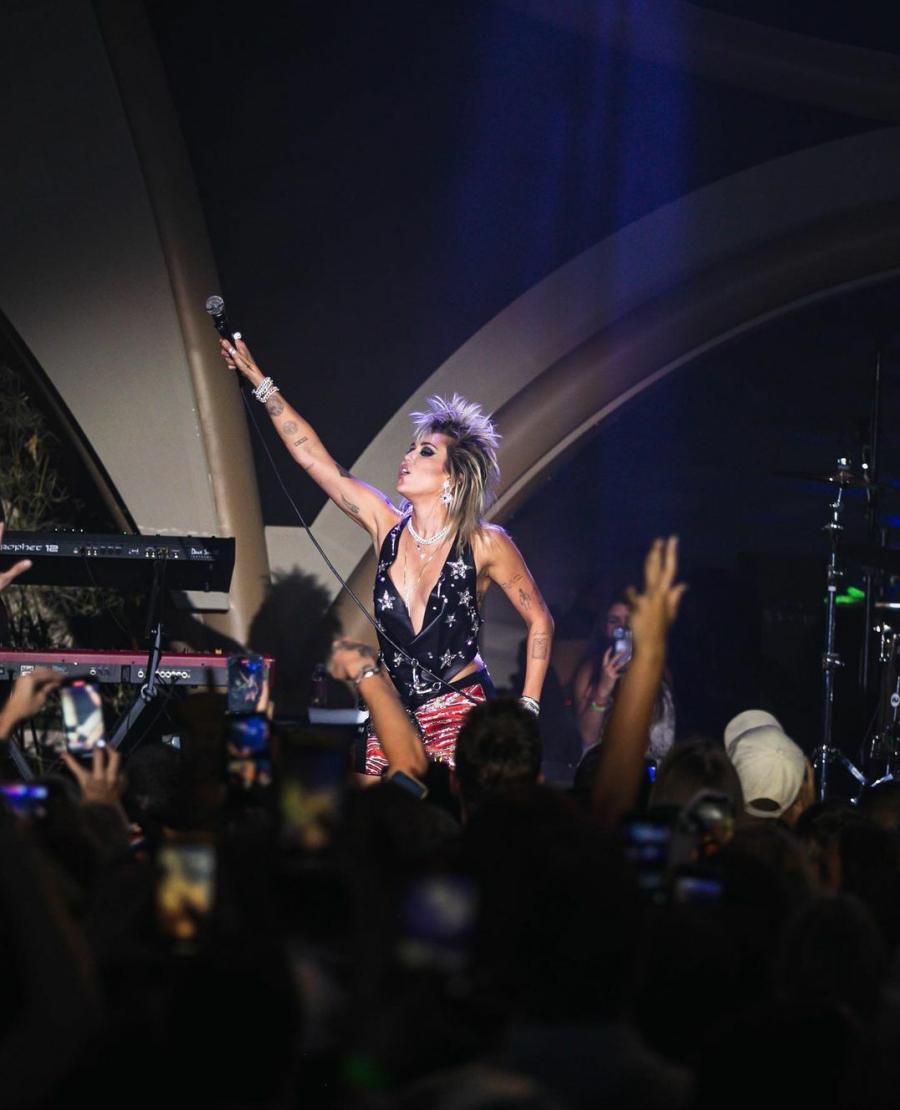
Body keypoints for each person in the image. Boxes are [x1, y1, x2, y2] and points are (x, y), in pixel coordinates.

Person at [221, 337, 553, 776]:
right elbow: (314, 459)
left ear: (453, 477)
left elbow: (539, 620)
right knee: (378, 811)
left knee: (451, 811)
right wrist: (260, 382)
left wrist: (528, 708)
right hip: (394, 714)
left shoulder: (484, 543)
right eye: (411, 448)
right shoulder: (386, 527)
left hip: (460, 714)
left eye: (425, 451)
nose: (408, 457)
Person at [573, 590, 675, 763]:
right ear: (605, 628)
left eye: (629, 620)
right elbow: (587, 737)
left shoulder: (658, 671)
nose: (622, 628)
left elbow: (664, 741)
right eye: (614, 621)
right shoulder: (590, 672)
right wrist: (602, 692)